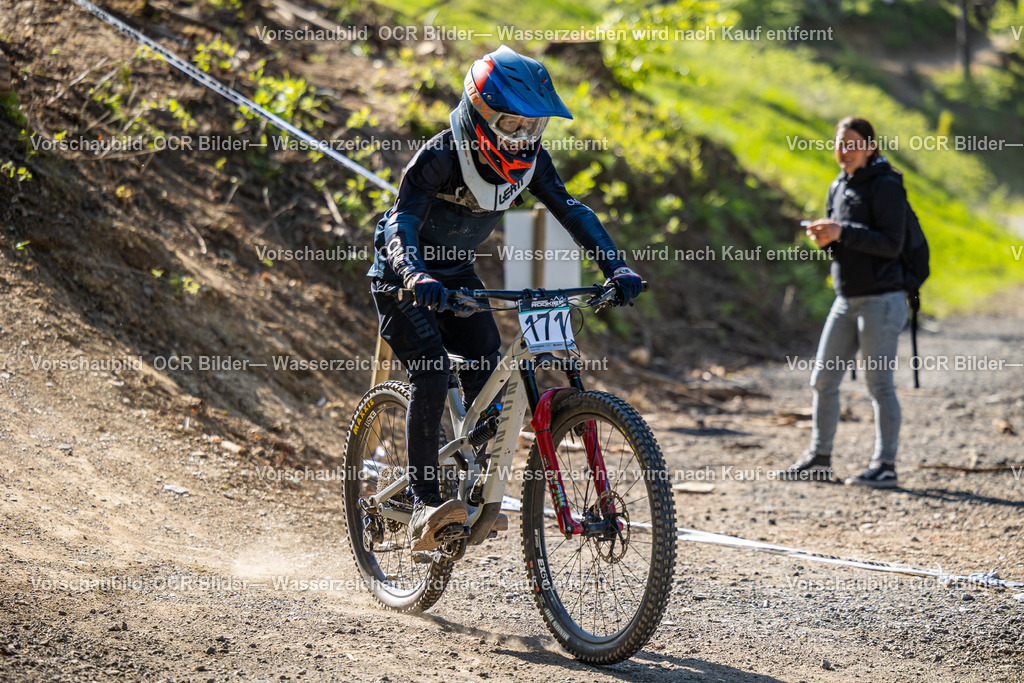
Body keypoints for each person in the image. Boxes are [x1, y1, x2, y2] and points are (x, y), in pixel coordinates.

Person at [367, 46, 644, 550]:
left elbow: (570, 209)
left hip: (456, 273)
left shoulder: (530, 162)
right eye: (511, 125)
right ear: (478, 113)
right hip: (403, 276)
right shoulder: (440, 156)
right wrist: (410, 273)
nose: (522, 139)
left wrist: (615, 264)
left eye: (532, 128)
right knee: (430, 372)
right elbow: (402, 222)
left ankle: (473, 489)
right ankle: (426, 502)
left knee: (486, 372)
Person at [775, 116, 908, 488]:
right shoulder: (837, 186)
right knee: (822, 380)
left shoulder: (887, 186)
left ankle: (885, 466)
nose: (844, 151)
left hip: (883, 300)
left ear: (869, 145)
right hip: (846, 299)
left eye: (852, 144)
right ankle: (819, 458)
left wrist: (841, 231)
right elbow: (844, 243)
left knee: (879, 384)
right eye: (839, 144)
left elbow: (891, 244)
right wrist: (828, 239)